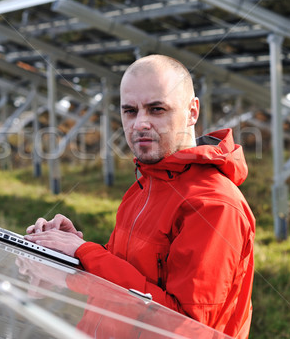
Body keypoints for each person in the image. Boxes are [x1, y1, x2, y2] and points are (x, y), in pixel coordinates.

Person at [25, 54, 255, 338]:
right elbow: (131, 276)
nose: (139, 123)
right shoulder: (145, 185)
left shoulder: (214, 206)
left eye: (157, 109)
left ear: (192, 112)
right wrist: (71, 253)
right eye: (130, 111)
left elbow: (187, 328)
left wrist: (86, 253)